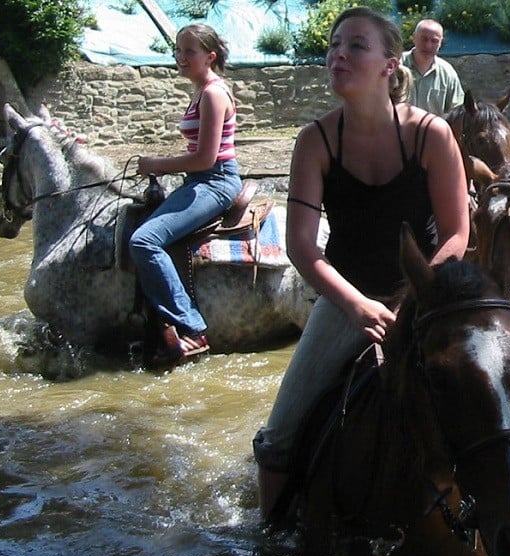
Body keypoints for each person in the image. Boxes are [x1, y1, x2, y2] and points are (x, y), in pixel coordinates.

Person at [252, 7, 470, 522]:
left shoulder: (430, 134)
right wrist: (354, 305)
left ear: (389, 66)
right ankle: (270, 541)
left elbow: (459, 232)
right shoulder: (315, 141)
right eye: (334, 45)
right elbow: (304, 247)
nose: (338, 55)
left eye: (355, 46)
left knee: (505, 396)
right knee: (278, 438)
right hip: (347, 302)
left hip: (429, 294)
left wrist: (419, 295)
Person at [133, 23, 240, 367]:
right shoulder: (200, 90)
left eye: (189, 51)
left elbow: (206, 158)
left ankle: (192, 327)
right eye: (177, 51)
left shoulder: (212, 93)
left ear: (209, 56)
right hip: (199, 180)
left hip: (214, 181)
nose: (181, 58)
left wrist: (157, 164)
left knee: (144, 241)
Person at [400, 19, 464, 115]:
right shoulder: (396, 65)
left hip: (432, 129)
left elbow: (457, 111)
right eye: (424, 39)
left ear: (440, 43)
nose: (428, 45)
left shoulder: (448, 73)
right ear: (414, 38)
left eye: (434, 41)